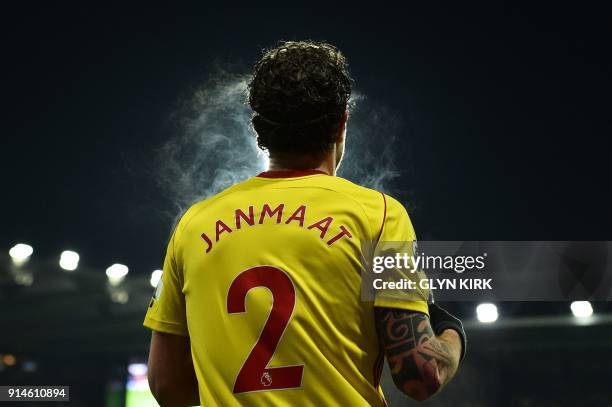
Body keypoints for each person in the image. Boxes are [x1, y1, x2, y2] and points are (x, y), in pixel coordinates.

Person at [144, 40, 465, 406]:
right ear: (343, 119)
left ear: (258, 128)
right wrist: (452, 332)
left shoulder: (195, 224)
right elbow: (420, 377)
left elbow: (167, 385)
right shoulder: (378, 216)